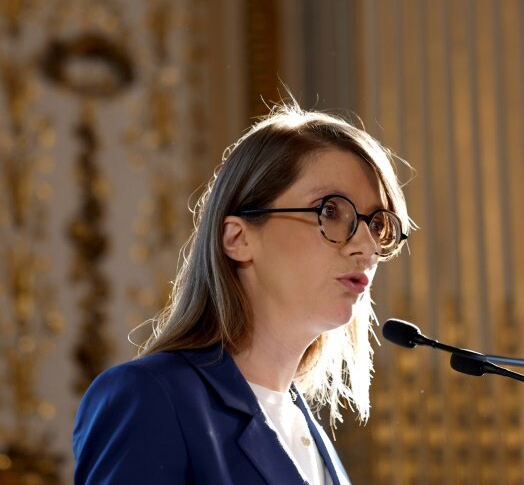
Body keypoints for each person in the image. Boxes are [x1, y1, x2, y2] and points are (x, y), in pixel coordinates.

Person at [73, 102, 413, 484]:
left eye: (378, 225)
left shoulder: (305, 428)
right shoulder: (151, 398)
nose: (366, 246)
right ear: (237, 238)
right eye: (331, 211)